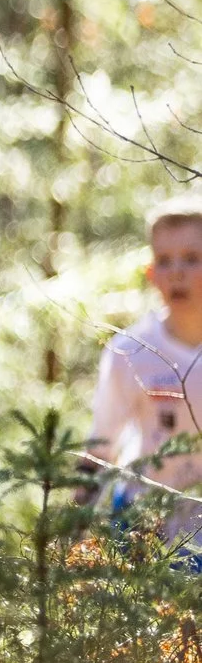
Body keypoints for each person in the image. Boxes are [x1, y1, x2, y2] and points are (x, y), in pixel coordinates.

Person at [86, 202, 202, 550]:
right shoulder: (130, 351)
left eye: (192, 259)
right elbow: (100, 447)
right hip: (141, 521)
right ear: (151, 273)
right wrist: (68, 530)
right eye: (164, 261)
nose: (177, 273)